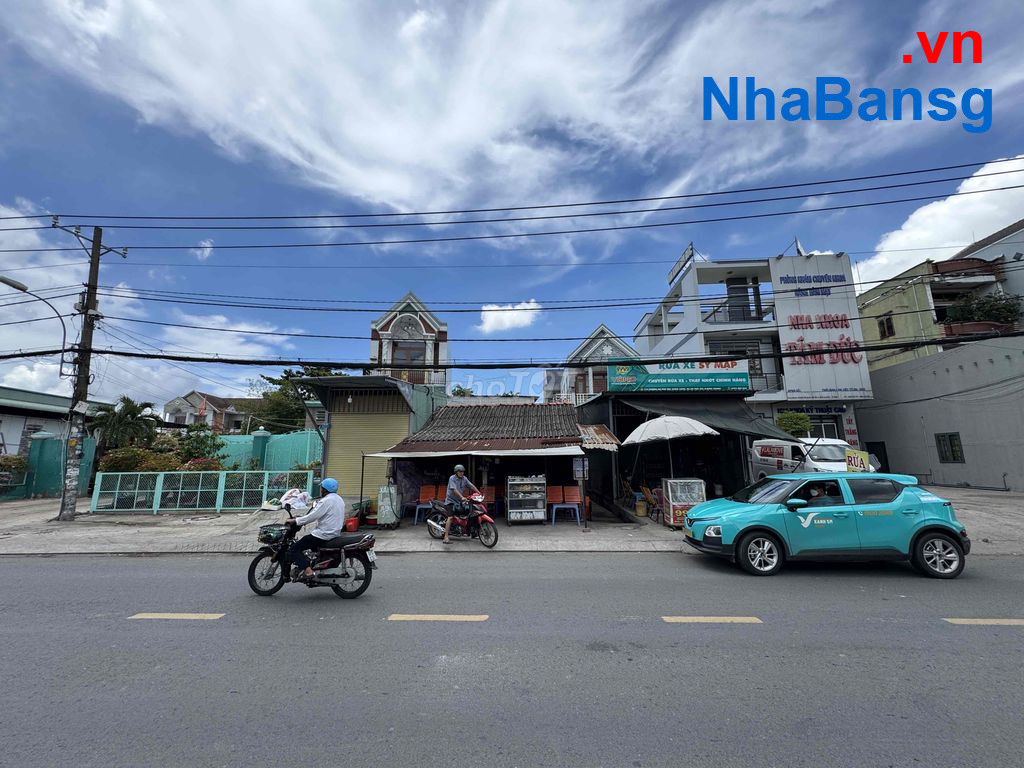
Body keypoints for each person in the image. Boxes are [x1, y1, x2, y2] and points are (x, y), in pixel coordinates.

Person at [286, 477, 346, 580]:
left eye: (321, 488)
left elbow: (312, 516)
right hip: (334, 533)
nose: (321, 490)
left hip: (323, 534)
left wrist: (296, 520)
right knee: (311, 548)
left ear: (325, 489)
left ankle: (308, 571)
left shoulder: (326, 501)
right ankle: (316, 565)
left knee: (294, 549)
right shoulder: (339, 499)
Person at [442, 464, 479, 544]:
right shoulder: (452, 478)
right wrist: (462, 497)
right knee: (450, 517)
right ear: (456, 472)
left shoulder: (464, 478)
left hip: (459, 502)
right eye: (460, 471)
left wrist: (479, 493)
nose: (462, 473)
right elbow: (454, 490)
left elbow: (471, 486)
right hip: (450, 501)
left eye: (463, 471)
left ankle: (472, 532)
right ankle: (446, 537)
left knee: (471, 512)